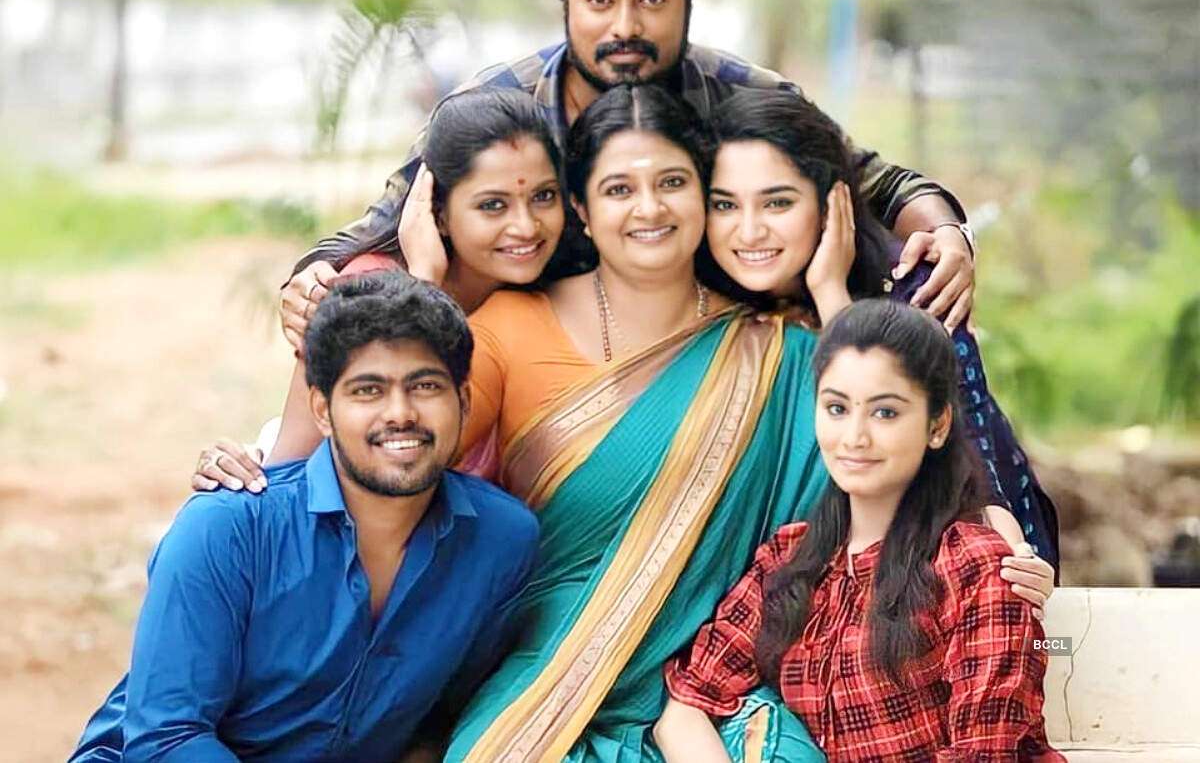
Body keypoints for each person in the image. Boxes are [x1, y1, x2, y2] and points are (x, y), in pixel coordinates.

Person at [198, 87, 1053, 761]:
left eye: (673, 183)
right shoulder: (511, 327)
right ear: (579, 208)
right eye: (618, 188)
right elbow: (393, 465)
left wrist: (832, 295)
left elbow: (880, 471)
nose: (649, 209)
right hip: (546, 677)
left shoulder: (780, 352)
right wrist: (422, 282)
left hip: (716, 688)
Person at [280, 0, 979, 356]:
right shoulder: (500, 104)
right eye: (600, 0)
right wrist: (312, 277)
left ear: (687, 4)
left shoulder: (735, 92)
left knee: (908, 266)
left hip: (719, 343)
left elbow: (880, 182)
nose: (625, 26)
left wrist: (947, 233)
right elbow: (383, 225)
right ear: (566, 3)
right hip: (533, 355)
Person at [71, 272, 540, 762]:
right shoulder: (227, 527)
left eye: (424, 386)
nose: (400, 413)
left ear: (463, 401)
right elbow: (167, 738)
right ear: (322, 409)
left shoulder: (500, 542)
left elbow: (438, 725)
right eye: (368, 390)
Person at [656, 299, 1065, 762]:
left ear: (937, 426)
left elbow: (984, 754)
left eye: (885, 412)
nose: (854, 437)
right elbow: (687, 704)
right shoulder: (790, 560)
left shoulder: (973, 565)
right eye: (836, 408)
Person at [701, 89, 1060, 568]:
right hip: (771, 574)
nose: (749, 231)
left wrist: (831, 297)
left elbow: (970, 471)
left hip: (926, 566)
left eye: (777, 203)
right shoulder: (700, 302)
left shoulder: (914, 286)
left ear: (832, 201)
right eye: (725, 206)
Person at [194, 86, 568, 491]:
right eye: (492, 205)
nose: (526, 226)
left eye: (543, 196)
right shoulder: (362, 291)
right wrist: (423, 284)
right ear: (437, 211)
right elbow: (289, 471)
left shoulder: (556, 300)